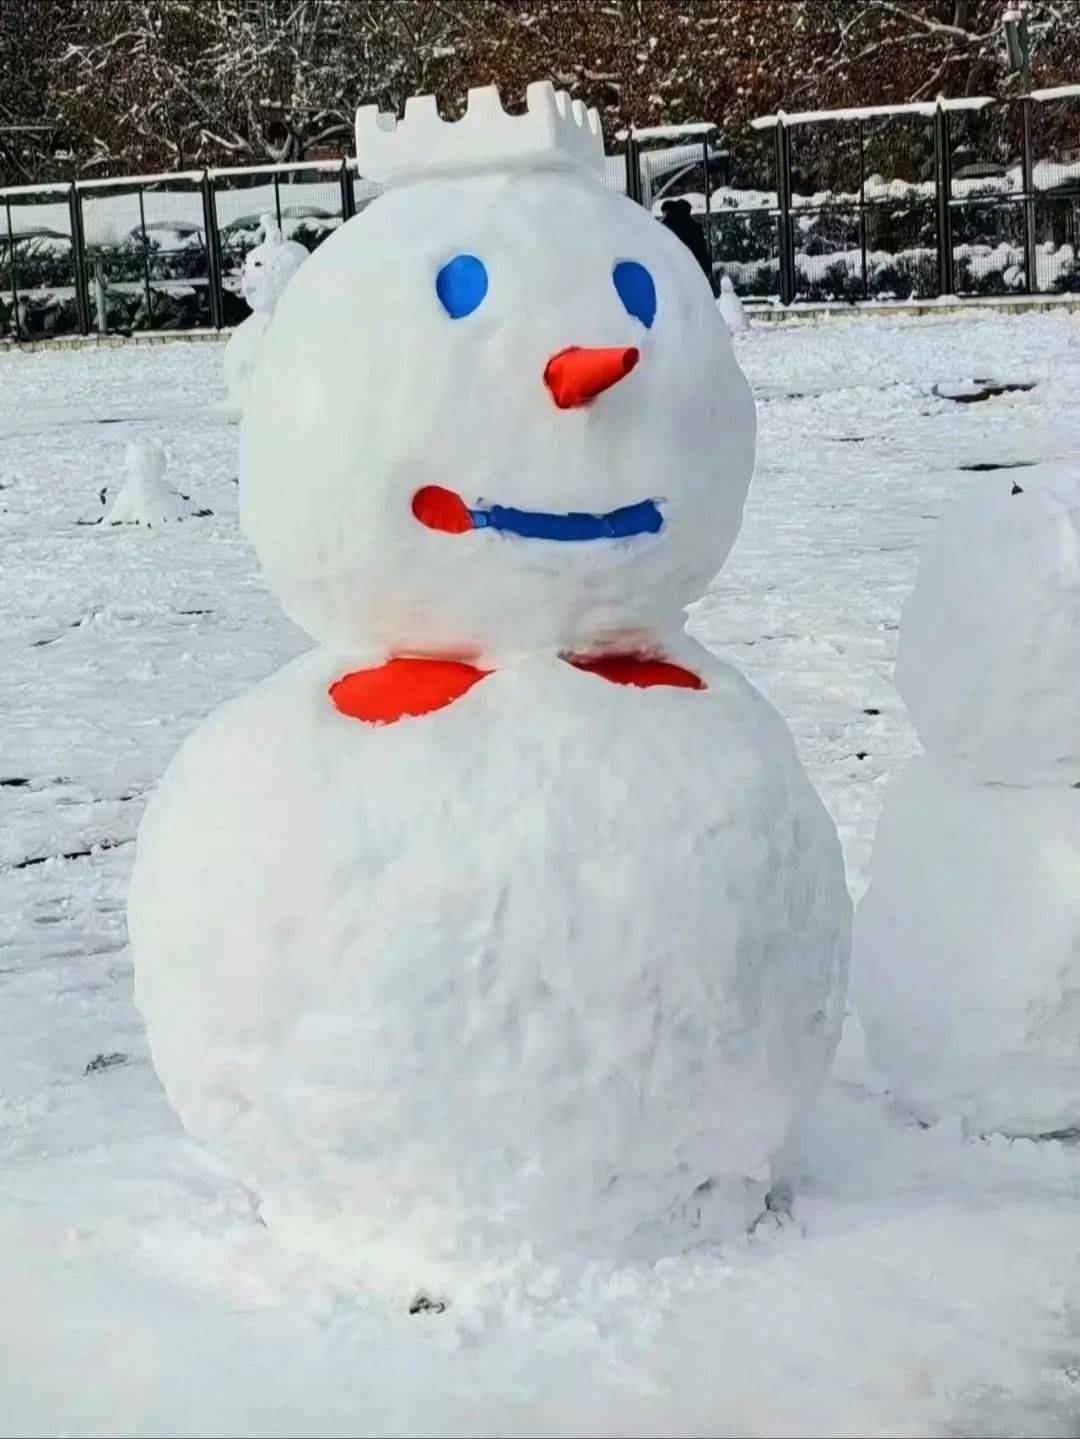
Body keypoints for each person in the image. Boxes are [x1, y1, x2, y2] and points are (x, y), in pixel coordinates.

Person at [660, 197, 711, 279]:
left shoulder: (668, 224)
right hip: (696, 265)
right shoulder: (693, 225)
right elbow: (701, 249)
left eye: (664, 213)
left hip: (675, 266)